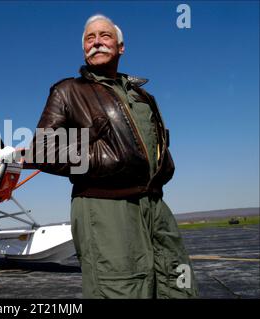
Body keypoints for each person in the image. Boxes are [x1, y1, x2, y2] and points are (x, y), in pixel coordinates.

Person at [24, 14, 199, 298]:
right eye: (89, 39)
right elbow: (43, 150)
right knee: (120, 288)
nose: (96, 42)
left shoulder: (142, 95)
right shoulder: (68, 90)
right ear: (84, 49)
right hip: (104, 205)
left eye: (104, 36)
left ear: (120, 47)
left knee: (176, 281)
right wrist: (103, 155)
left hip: (154, 202)